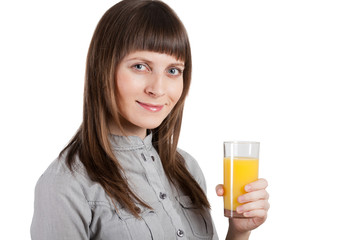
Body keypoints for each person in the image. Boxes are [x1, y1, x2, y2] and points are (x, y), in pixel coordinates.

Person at [30, 0, 270, 239]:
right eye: (140, 66)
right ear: (102, 68)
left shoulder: (187, 169)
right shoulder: (64, 185)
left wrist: (240, 230)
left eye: (173, 70)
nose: (158, 89)